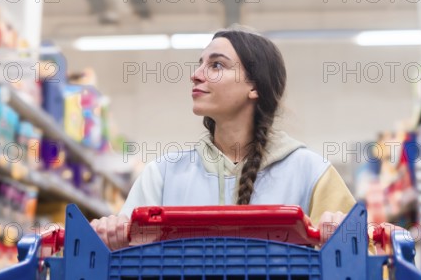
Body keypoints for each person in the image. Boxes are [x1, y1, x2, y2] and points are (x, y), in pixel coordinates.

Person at [91, 28, 380, 251]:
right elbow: (123, 262)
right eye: (200, 64)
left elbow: (362, 258)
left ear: (254, 87)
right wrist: (110, 235)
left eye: (216, 65)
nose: (196, 75)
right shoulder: (163, 174)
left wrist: (345, 235)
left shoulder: (310, 172)